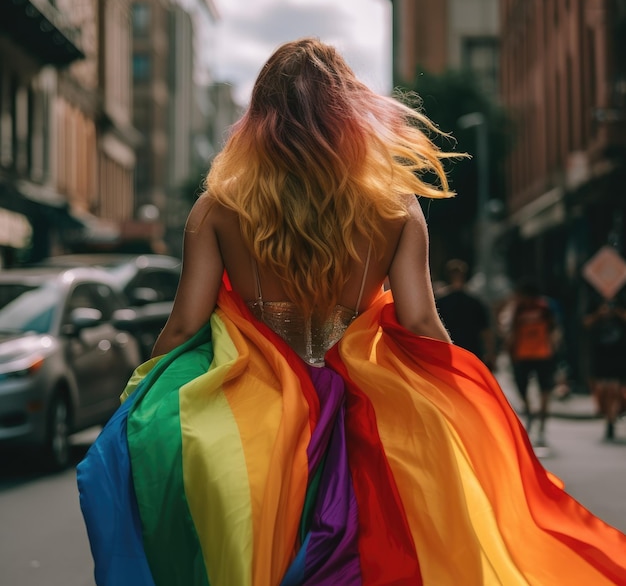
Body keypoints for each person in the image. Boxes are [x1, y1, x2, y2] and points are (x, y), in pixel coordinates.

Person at [77, 38, 626, 586]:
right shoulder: (395, 206)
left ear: (259, 116)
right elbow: (419, 322)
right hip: (365, 409)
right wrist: (468, 397)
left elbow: (184, 325)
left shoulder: (219, 207)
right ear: (349, 112)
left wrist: (139, 398)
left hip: (252, 413)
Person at [506, 278, 559, 446]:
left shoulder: (540, 307)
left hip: (537, 354)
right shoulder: (527, 308)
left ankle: (539, 423)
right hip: (531, 354)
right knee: (530, 389)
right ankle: (533, 416)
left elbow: (554, 329)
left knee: (542, 390)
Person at [435, 259, 496, 369]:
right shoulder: (474, 301)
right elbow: (485, 330)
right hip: (470, 351)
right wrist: (490, 353)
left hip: (451, 350)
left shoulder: (440, 301)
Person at [583, 297, 626, 441]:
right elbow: (585, 323)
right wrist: (599, 314)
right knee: (602, 389)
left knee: (614, 388)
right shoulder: (593, 299)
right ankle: (607, 414)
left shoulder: (622, 298)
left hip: (618, 353)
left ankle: (611, 421)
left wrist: (617, 311)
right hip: (599, 354)